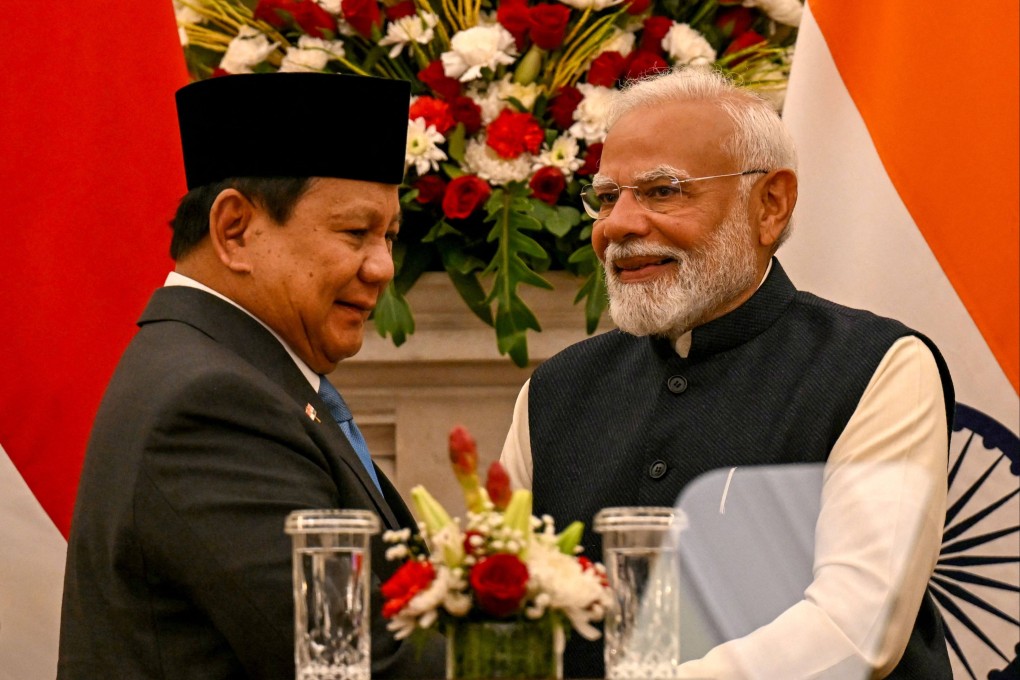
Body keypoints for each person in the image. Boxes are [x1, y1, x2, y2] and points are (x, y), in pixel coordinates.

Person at [500, 67, 955, 679]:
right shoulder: (555, 391)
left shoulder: (879, 368)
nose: (618, 226)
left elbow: (855, 628)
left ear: (771, 204)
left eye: (663, 191)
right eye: (607, 197)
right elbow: (498, 601)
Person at [58, 73, 443, 679]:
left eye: (390, 236)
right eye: (355, 233)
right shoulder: (211, 404)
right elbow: (349, 662)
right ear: (235, 230)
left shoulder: (219, 368)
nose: (383, 267)